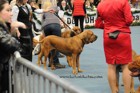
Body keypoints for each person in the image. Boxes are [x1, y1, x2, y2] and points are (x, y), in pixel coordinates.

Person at [94, 0, 133, 93]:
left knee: (111, 66)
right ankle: (127, 91)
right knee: (126, 65)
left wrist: (109, 26)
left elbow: (98, 24)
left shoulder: (100, 4)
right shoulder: (124, 2)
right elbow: (129, 20)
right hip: (123, 35)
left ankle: (114, 91)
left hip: (108, 36)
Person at [0, 0, 26, 92]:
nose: (11, 14)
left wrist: (12, 31)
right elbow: (18, 47)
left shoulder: (4, 27)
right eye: (8, 10)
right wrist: (24, 29)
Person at [41, 1, 65, 68]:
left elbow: (42, 22)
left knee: (49, 45)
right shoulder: (55, 8)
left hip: (46, 26)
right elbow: (59, 9)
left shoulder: (43, 11)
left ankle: (50, 62)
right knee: (57, 45)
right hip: (55, 25)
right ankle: (56, 62)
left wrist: (43, 33)